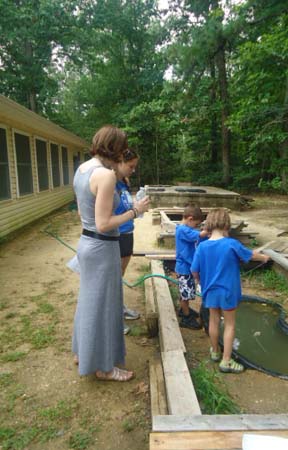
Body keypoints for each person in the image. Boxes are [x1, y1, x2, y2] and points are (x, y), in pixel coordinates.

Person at [72, 124, 149, 381]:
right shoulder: (104, 176)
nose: (125, 151)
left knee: (89, 303)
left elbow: (86, 214)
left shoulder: (82, 168)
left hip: (86, 243)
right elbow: (104, 223)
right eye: (123, 146)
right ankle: (104, 367)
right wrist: (135, 211)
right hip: (102, 246)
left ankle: (82, 353)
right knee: (104, 307)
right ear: (114, 147)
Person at [191, 208, 270, 374]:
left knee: (213, 320)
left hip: (209, 291)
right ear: (227, 225)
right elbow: (250, 255)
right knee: (230, 324)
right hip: (228, 292)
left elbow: (194, 269)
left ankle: (214, 351)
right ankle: (226, 361)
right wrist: (264, 257)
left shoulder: (202, 246)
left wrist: (199, 281)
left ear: (210, 224)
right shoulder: (232, 244)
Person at [114, 149, 141, 333]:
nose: (133, 170)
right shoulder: (108, 181)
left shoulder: (124, 182)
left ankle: (119, 308)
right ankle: (114, 319)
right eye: (130, 166)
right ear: (120, 161)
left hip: (127, 232)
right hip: (115, 235)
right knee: (113, 278)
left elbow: (125, 205)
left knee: (119, 277)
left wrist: (137, 207)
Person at [175, 203, 208, 330]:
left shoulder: (187, 229)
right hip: (184, 268)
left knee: (186, 292)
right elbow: (199, 235)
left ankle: (185, 310)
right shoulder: (182, 230)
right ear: (190, 219)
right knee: (186, 294)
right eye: (196, 224)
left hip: (187, 267)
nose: (197, 227)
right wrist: (209, 230)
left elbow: (197, 236)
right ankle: (186, 318)